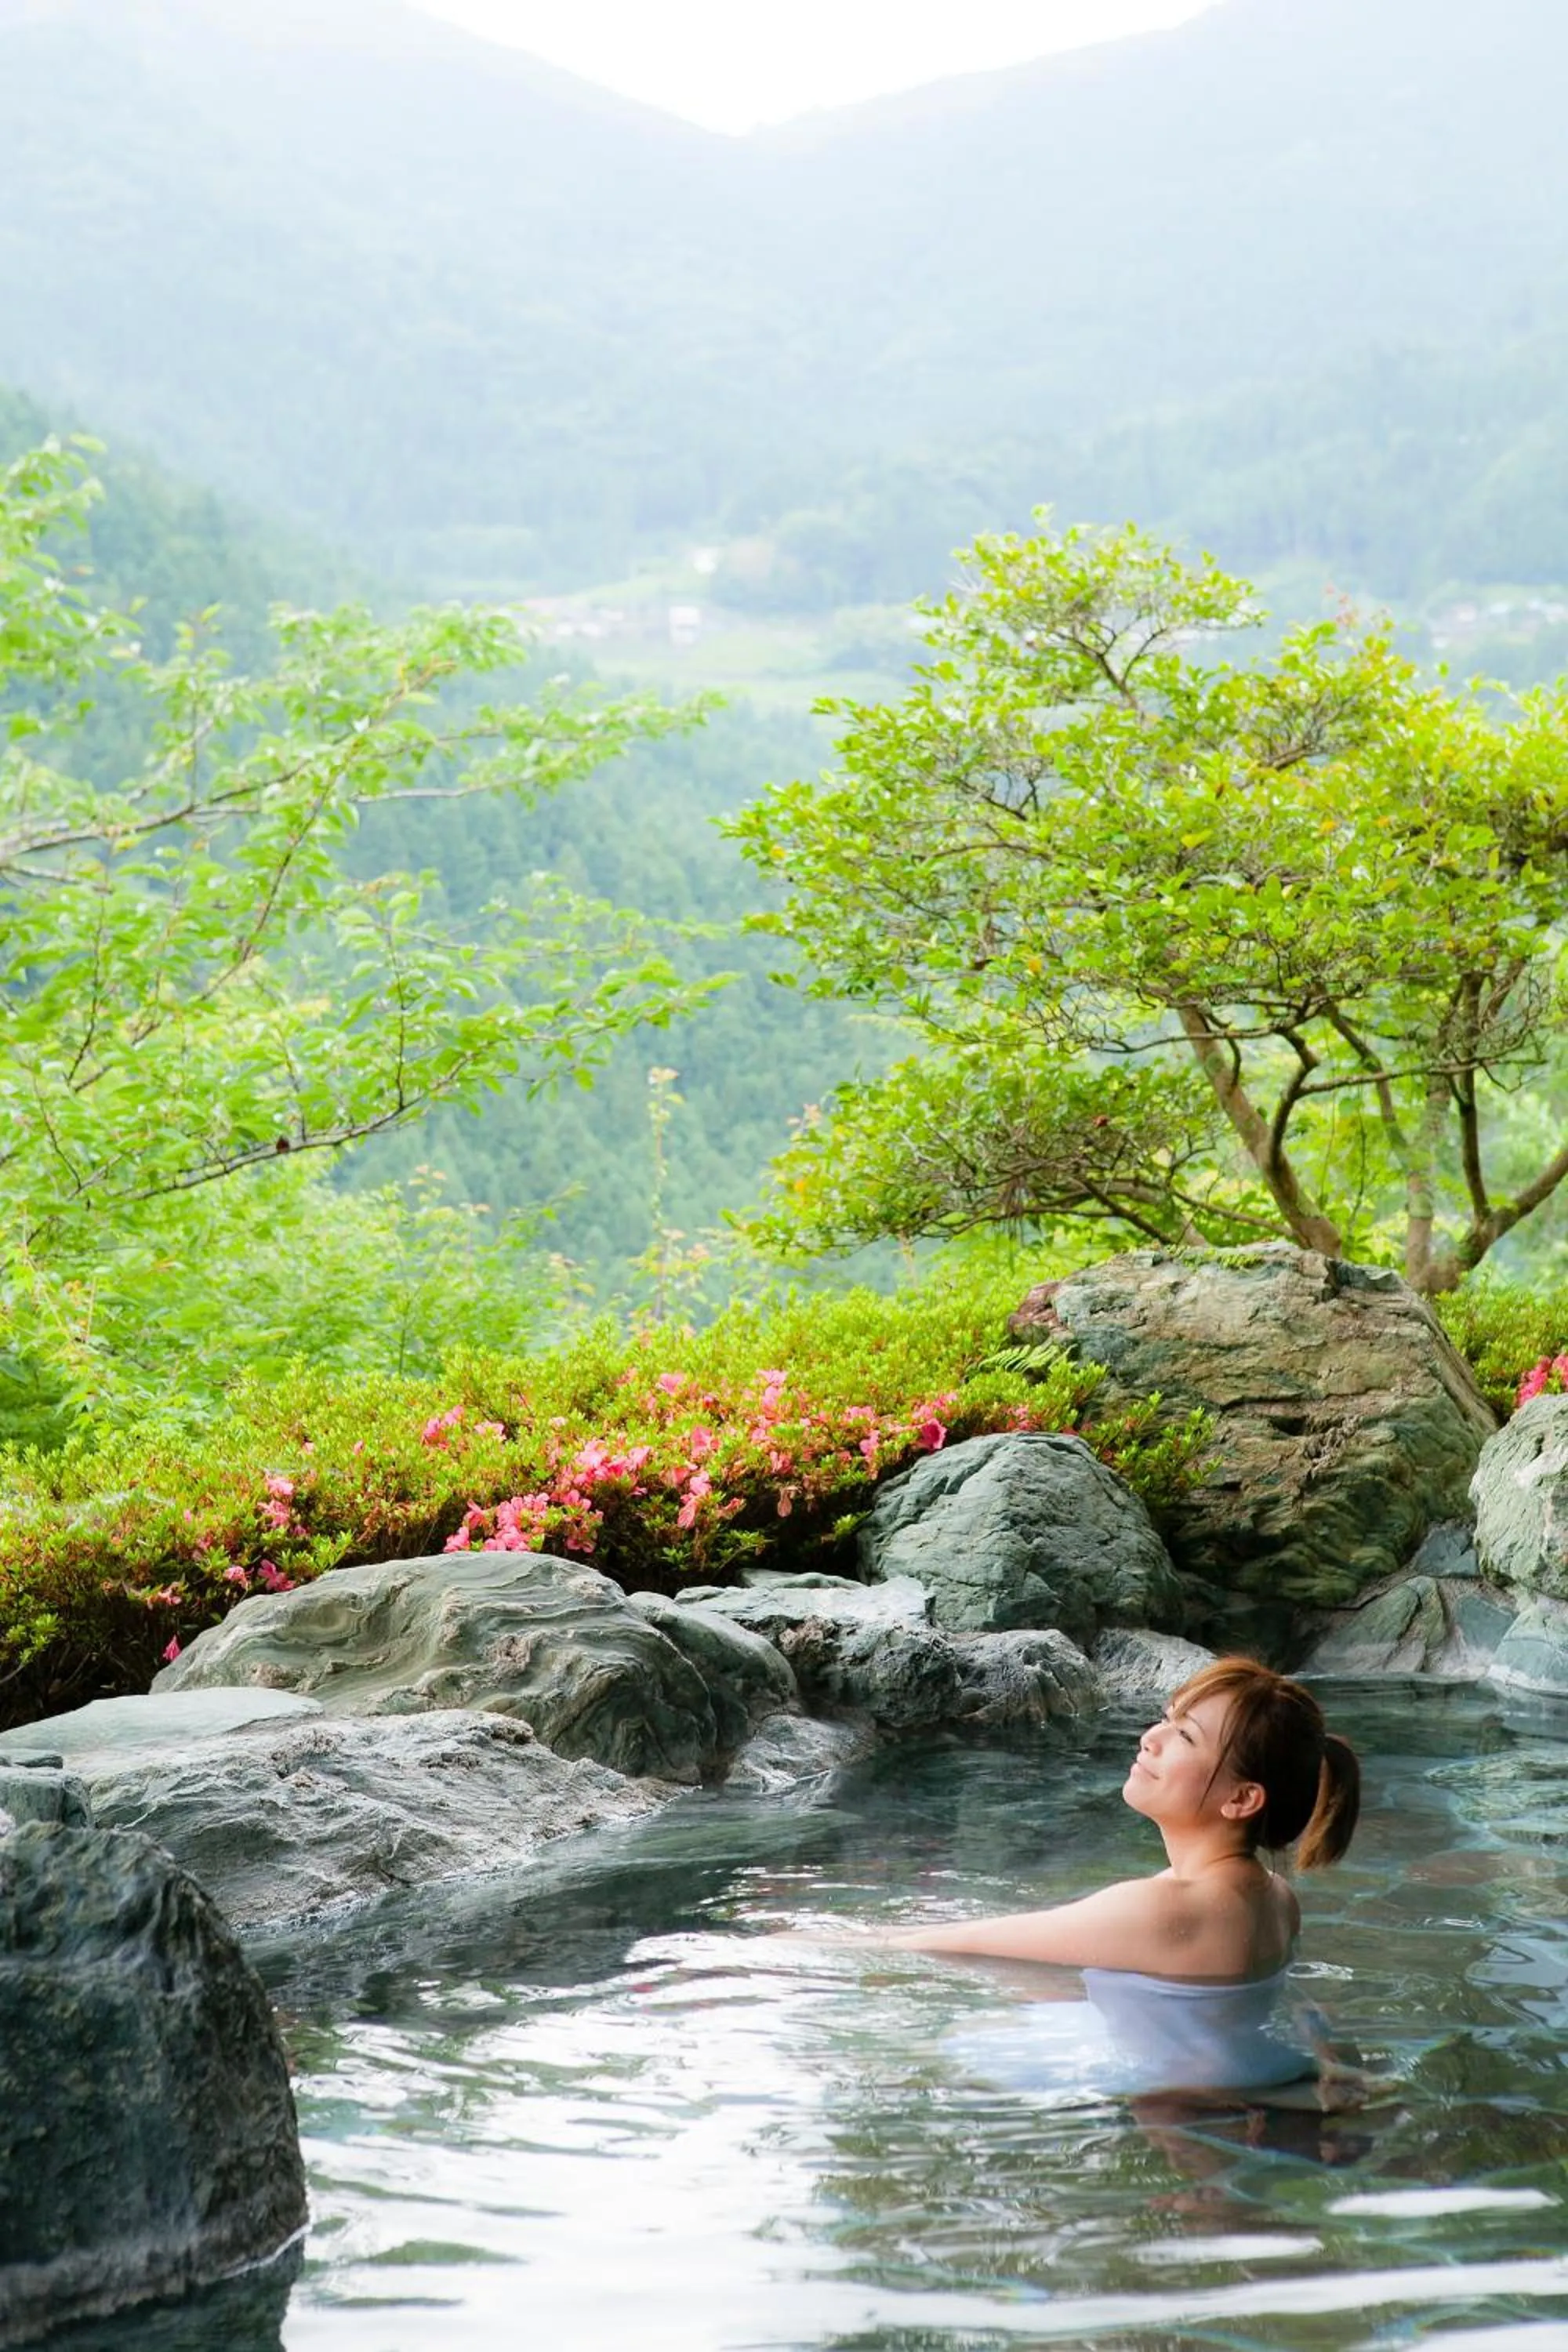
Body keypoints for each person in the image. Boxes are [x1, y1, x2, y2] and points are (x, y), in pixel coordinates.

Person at [892, 1656, 1363, 2096]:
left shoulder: (1164, 1909)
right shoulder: (1276, 1897)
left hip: (1175, 2096)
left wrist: (854, 1943)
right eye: (1166, 1718)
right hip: (1228, 2070)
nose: (1151, 1738)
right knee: (1035, 2002)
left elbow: (957, 1943)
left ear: (1241, 1799)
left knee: (946, 2044)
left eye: (1186, 1736)